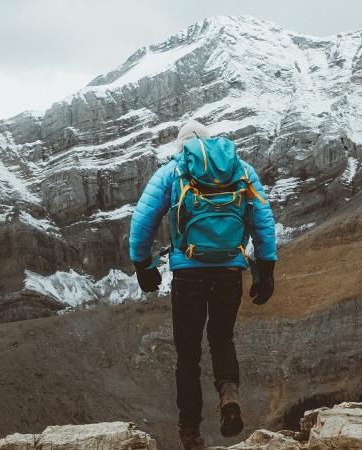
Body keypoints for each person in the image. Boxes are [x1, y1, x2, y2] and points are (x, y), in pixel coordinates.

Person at [129, 120, 277, 450]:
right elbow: (263, 218)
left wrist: (142, 265)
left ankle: (191, 434)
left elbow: (142, 219)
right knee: (222, 338)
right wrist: (266, 269)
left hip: (188, 275)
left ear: (181, 147)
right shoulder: (242, 170)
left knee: (188, 357)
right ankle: (229, 392)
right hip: (229, 272)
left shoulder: (173, 171)